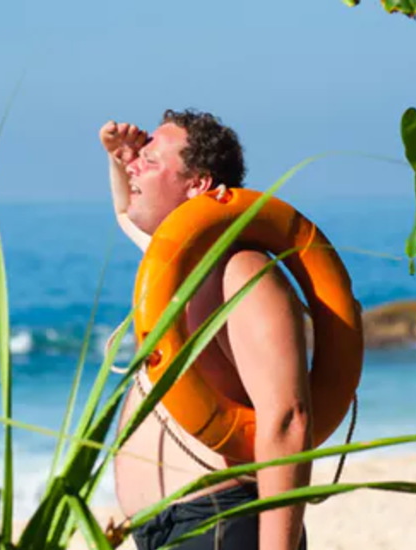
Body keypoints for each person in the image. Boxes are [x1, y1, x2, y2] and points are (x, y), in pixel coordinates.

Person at [100, 110, 311, 550]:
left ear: (198, 185)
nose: (134, 166)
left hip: (220, 522)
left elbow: (288, 419)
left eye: (150, 160)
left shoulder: (240, 273)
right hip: (170, 529)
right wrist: (121, 159)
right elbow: (126, 212)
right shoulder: (177, 265)